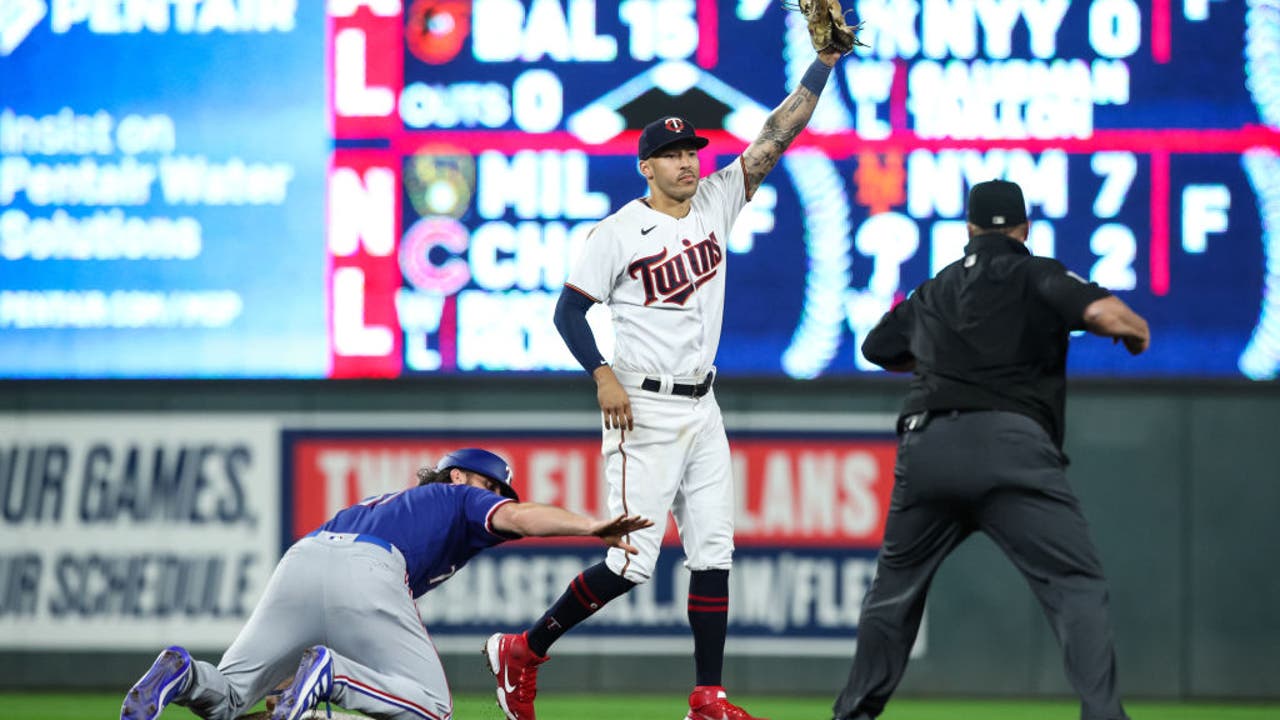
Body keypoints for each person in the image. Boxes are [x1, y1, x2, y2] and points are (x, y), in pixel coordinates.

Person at [481, 46, 848, 720]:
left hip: (702, 404)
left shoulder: (717, 201)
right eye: (674, 153)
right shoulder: (617, 232)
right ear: (647, 166)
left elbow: (777, 134)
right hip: (640, 407)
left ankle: (708, 695)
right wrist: (601, 375)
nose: (689, 161)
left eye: (694, 150)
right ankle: (523, 650)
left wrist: (823, 62)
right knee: (631, 561)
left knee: (714, 550)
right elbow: (567, 311)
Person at [830, 179, 1150, 720]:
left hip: (929, 447)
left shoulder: (936, 289)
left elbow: (878, 346)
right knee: (1075, 586)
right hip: (1013, 452)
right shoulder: (1038, 272)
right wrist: (1135, 331)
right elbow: (1107, 316)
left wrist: (942, 353)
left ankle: (851, 716)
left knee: (893, 595)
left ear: (969, 230)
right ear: (1025, 229)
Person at [119, 448, 652, 720]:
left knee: (232, 698)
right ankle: (331, 675)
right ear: (458, 475)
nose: (495, 494)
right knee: (432, 707)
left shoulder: (378, 504)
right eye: (489, 483)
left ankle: (183, 675)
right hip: (368, 571)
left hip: (303, 559)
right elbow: (523, 517)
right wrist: (588, 526)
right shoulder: (460, 496)